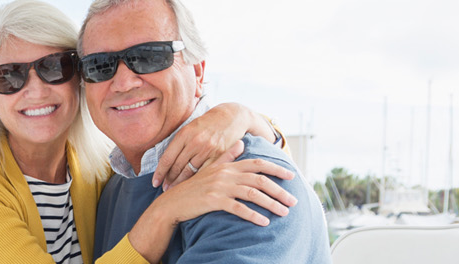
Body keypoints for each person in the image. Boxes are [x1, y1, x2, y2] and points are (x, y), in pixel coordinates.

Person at [0, 1, 298, 263]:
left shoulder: (100, 174)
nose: (34, 90)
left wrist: (244, 117)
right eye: (9, 76)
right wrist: (163, 212)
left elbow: (280, 176)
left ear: (79, 79)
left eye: (55, 67)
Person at [78, 0, 333, 263]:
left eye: (148, 56)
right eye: (99, 66)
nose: (123, 83)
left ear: (198, 73)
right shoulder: (111, 187)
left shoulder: (253, 182)